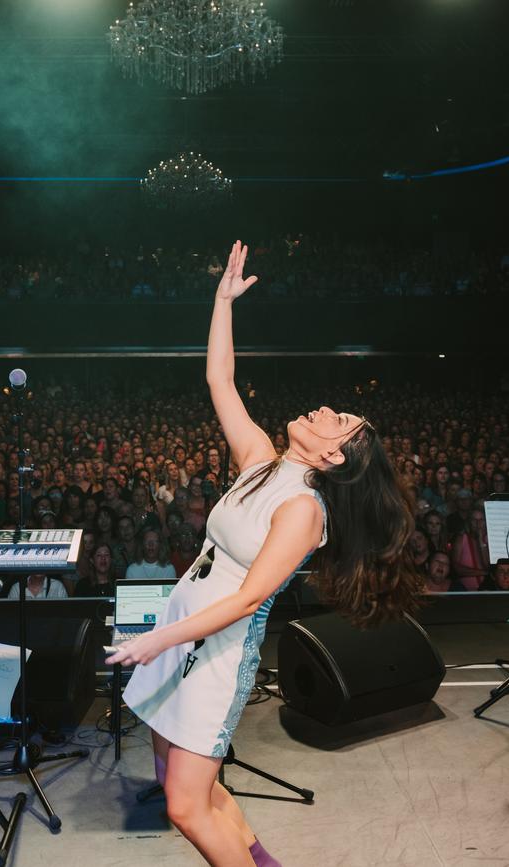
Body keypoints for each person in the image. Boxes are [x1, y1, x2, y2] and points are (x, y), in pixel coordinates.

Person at [108, 241, 420, 867]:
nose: (324, 408)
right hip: (183, 622)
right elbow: (219, 379)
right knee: (178, 771)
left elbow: (250, 597)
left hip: (215, 648)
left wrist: (159, 642)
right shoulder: (261, 464)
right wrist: (222, 303)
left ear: (333, 457)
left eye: (337, 421)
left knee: (184, 805)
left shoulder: (304, 509)